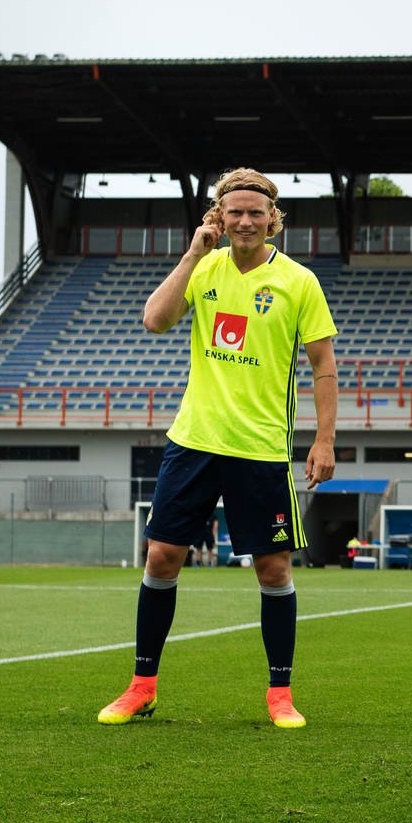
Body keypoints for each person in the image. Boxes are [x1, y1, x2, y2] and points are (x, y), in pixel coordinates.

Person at [97, 169, 338, 731]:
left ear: (273, 218)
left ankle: (280, 694)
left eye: (256, 212)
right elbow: (154, 320)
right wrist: (191, 254)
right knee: (161, 557)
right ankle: (141, 686)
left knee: (273, 570)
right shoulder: (203, 269)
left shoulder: (299, 281)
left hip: (259, 449)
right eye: (235, 212)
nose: (246, 221)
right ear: (220, 217)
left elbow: (324, 367)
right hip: (194, 441)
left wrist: (324, 440)